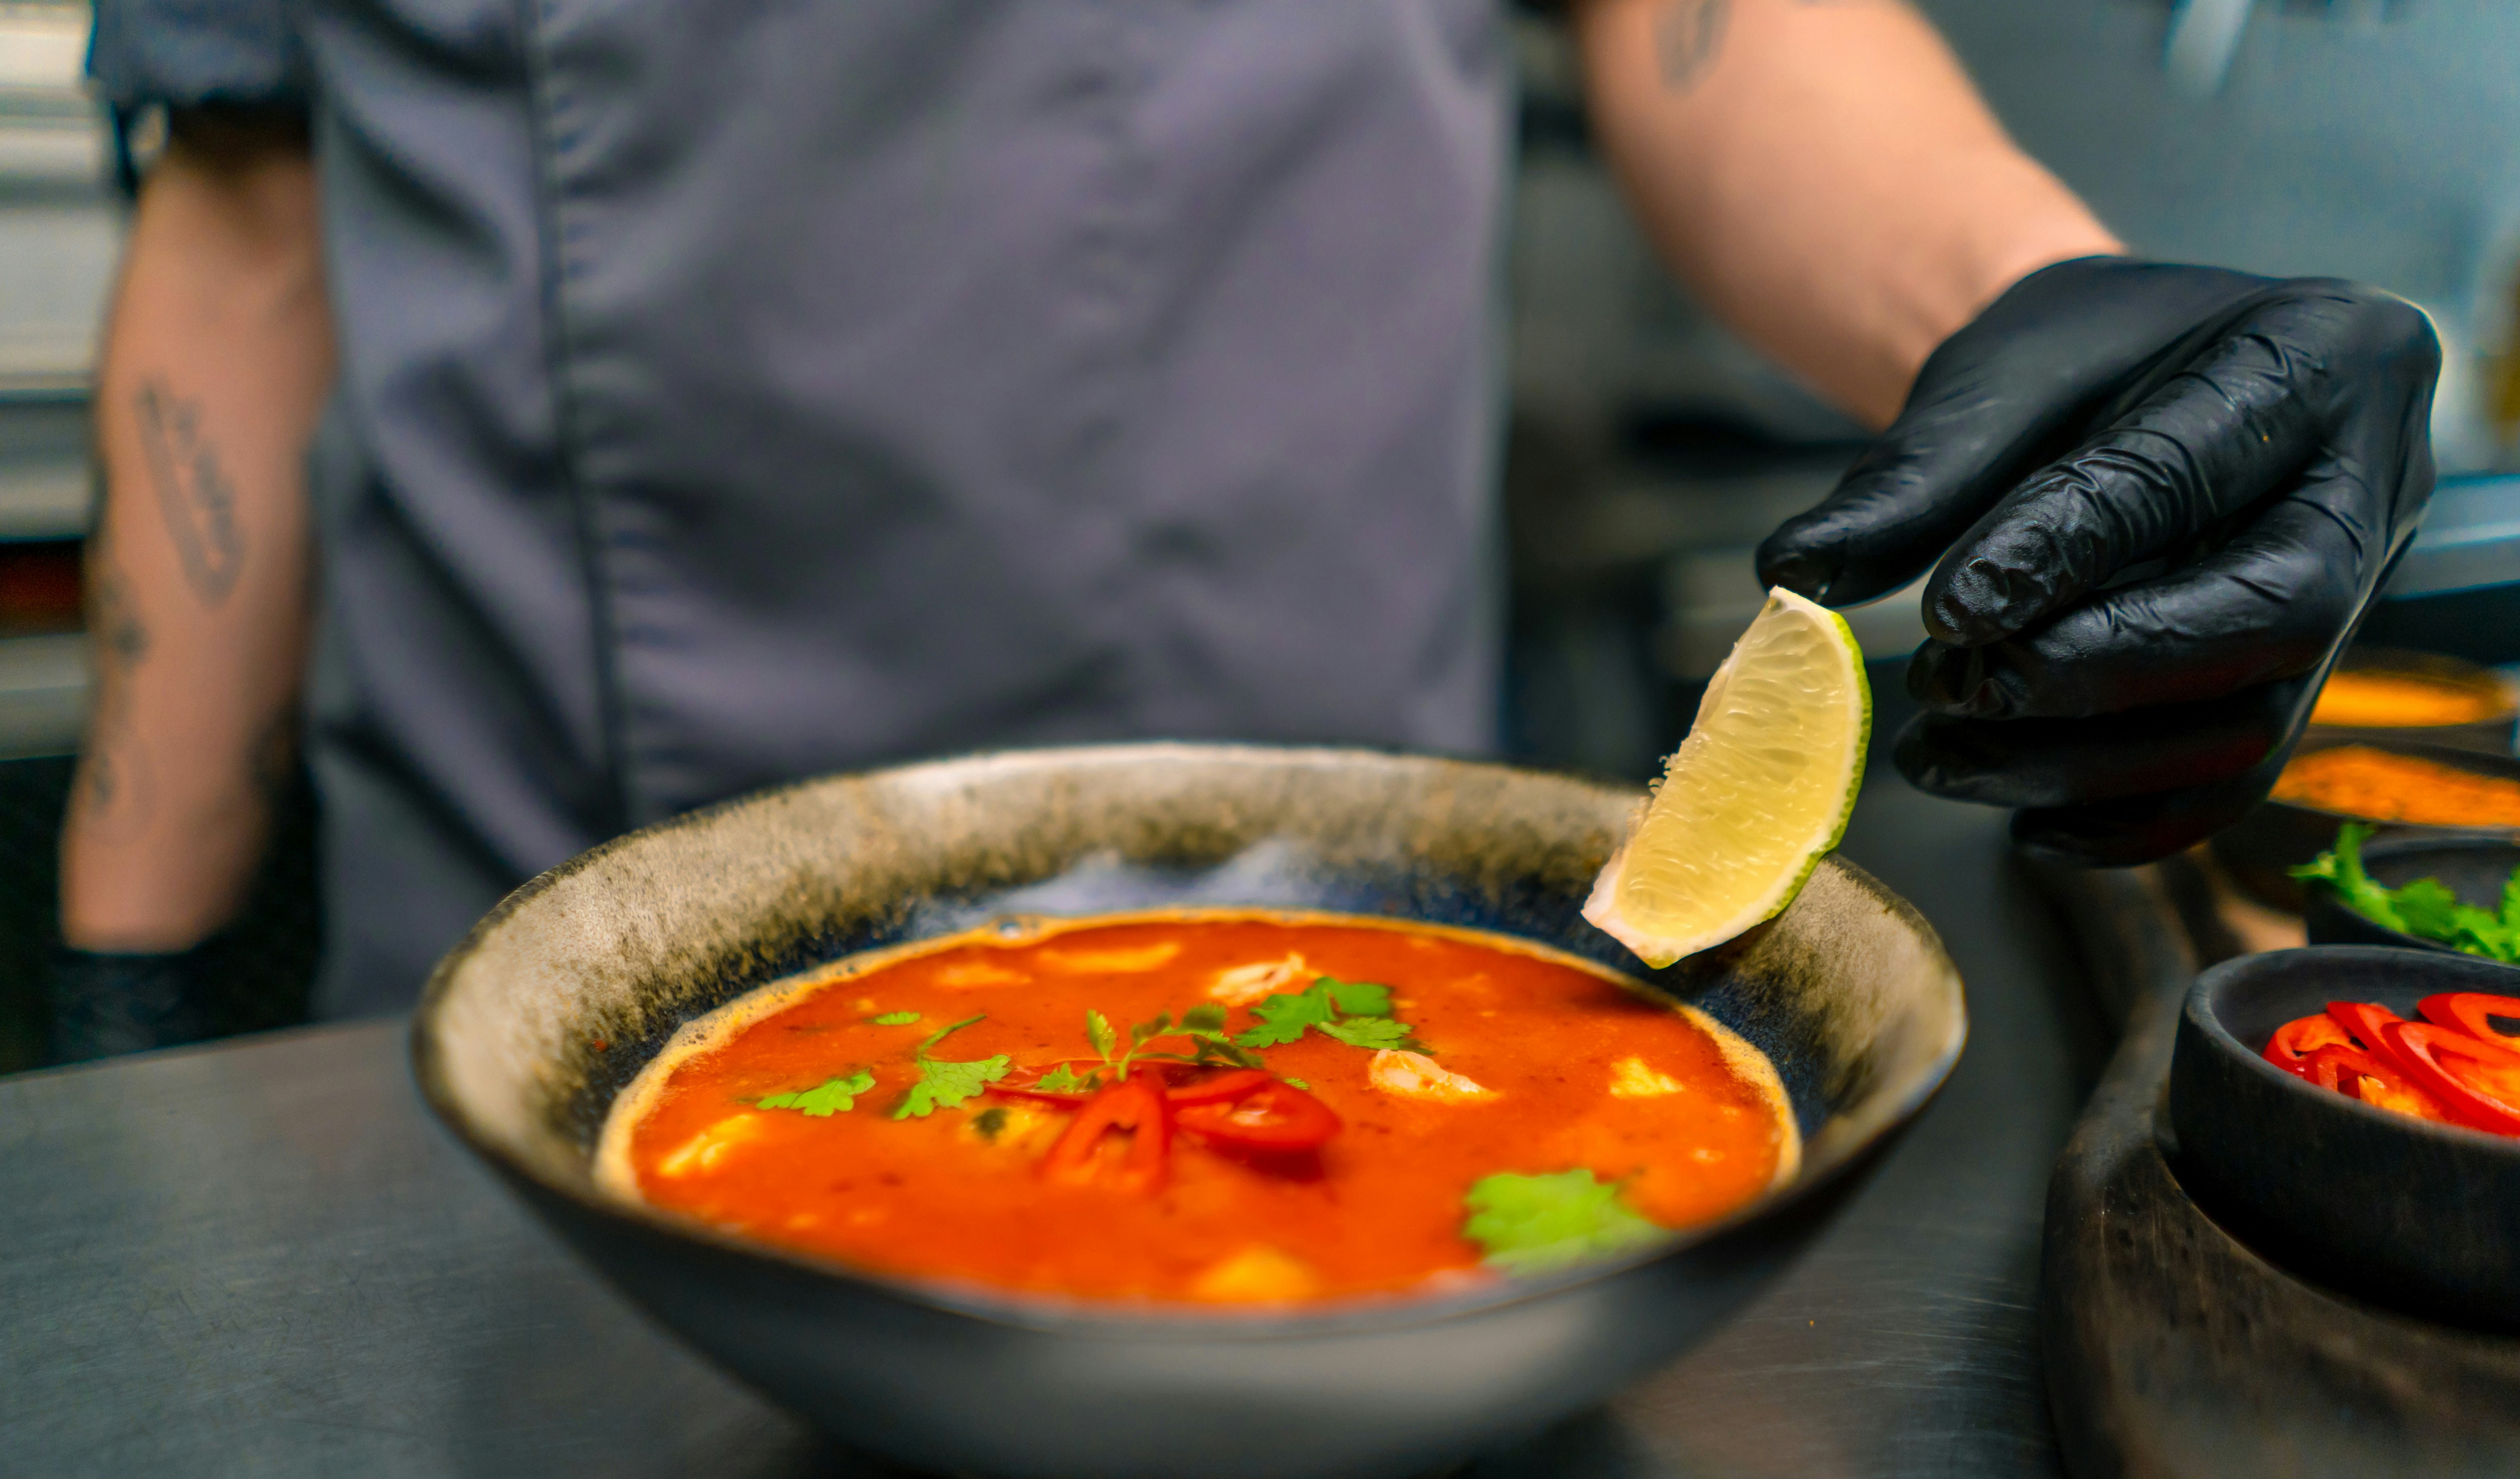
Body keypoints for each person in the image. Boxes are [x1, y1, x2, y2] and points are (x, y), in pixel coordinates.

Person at [53, 0, 2437, 1058]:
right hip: (541, 945)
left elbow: (1712, 22)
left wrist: (2047, 315)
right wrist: (131, 980)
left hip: (1367, 947)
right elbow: (247, 237)